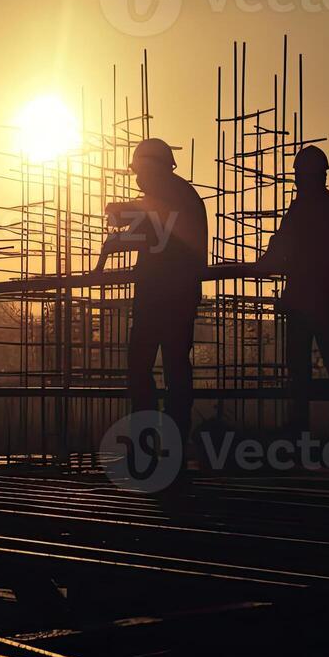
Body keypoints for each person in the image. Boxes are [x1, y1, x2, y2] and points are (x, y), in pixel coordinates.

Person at [93, 138, 208, 440]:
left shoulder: (167, 197)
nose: (137, 178)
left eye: (139, 171)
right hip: (174, 295)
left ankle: (151, 437)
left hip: (162, 296)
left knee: (143, 367)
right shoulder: (179, 194)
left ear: (152, 167)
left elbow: (139, 235)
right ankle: (172, 438)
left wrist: (107, 252)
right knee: (175, 368)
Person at [260, 146, 329, 438]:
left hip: (308, 299)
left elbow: (284, 243)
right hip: (321, 298)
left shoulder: (308, 207)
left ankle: (304, 427)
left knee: (303, 368)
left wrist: (264, 264)